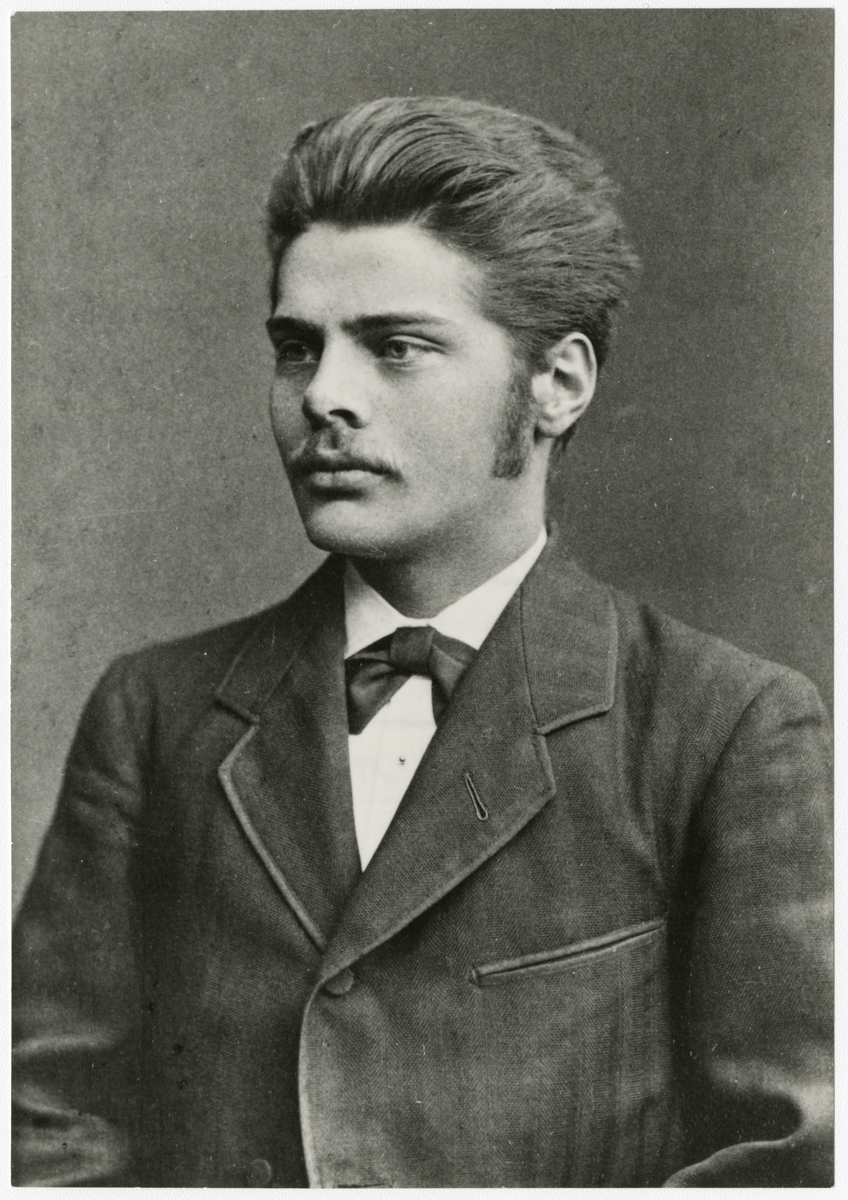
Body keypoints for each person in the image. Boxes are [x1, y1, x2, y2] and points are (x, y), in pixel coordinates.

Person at [12, 96, 832, 1188]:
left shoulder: (721, 726)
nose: (324, 397)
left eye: (396, 347)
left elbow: (787, 1161)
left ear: (556, 384)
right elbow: (42, 1126)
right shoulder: (155, 713)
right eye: (297, 349)